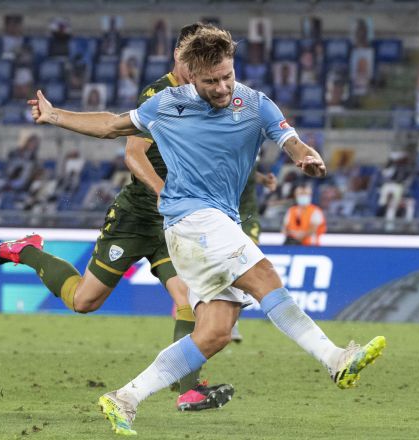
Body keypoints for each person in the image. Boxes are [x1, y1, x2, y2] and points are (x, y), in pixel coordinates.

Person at [21, 24, 385, 436]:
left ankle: (125, 397)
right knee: (264, 277)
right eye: (211, 80)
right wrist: (54, 115)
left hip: (213, 223)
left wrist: (306, 156)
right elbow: (111, 126)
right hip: (190, 219)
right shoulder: (168, 104)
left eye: (227, 76)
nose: (222, 86)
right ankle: (336, 359)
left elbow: (289, 139)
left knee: (215, 333)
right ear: (191, 75)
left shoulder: (254, 102)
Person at [0, 23, 236, 414]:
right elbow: (129, 149)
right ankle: (28, 251)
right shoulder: (160, 94)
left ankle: (188, 390)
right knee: (84, 301)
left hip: (173, 222)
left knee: (188, 298)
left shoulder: (211, 94)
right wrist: (164, 193)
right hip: (137, 216)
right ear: (179, 57)